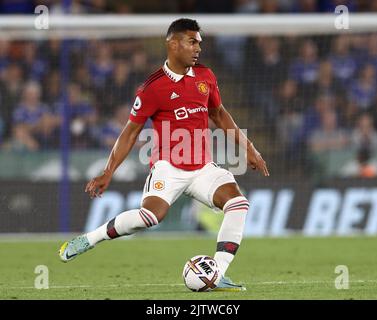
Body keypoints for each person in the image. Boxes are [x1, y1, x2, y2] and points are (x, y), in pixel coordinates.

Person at [59, 18, 269, 291]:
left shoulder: (205, 76)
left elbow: (218, 114)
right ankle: (90, 239)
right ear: (173, 43)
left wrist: (249, 148)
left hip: (203, 167)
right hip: (169, 167)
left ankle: (217, 273)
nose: (198, 48)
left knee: (238, 205)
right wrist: (108, 171)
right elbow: (131, 132)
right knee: (150, 217)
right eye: (192, 41)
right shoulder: (152, 88)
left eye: (199, 43)